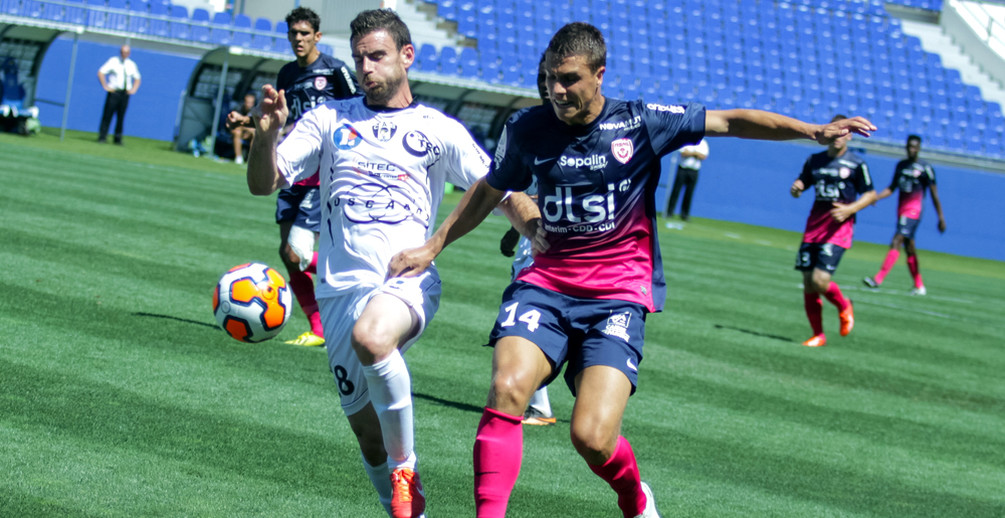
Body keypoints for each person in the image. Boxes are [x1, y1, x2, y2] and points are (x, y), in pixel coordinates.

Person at [388, 22, 877, 518]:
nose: (558, 91)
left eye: (570, 79)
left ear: (599, 74)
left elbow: (729, 121)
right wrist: (434, 245)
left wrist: (812, 132)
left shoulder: (642, 121)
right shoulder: (526, 128)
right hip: (545, 286)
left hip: (617, 297)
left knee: (591, 437)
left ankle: (635, 498)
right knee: (508, 388)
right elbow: (492, 188)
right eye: (550, 79)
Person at [245, 9, 535, 517]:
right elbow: (262, 182)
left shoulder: (437, 129)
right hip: (338, 292)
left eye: (376, 56)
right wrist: (266, 133)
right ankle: (407, 506)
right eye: (359, 58)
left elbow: (500, 187)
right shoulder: (329, 118)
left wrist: (538, 228)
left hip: (406, 281)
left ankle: (408, 469)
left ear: (406, 56)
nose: (366, 68)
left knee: (373, 338)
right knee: (367, 437)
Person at [228, 7, 359, 347]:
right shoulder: (287, 74)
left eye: (304, 33)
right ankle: (318, 328)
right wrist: (244, 121)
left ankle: (356, 273)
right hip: (290, 172)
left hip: (322, 173)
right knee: (288, 253)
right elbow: (279, 121)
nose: (298, 39)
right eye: (293, 34)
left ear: (317, 36)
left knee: (295, 253)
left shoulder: (335, 70)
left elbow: (360, 108)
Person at [499, 53, 555, 427]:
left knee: (526, 314)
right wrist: (513, 228)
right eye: (541, 77)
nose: (544, 84)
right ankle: (539, 403)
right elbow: (518, 189)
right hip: (530, 237)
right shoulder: (526, 125)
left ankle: (539, 405)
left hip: (555, 243)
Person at [790, 115, 877, 348]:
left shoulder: (856, 164)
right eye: (836, 131)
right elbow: (802, 183)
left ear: (850, 135)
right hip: (813, 227)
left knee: (820, 280)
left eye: (845, 132)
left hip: (838, 229)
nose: (840, 136)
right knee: (808, 282)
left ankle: (844, 304)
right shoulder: (814, 160)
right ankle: (818, 334)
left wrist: (850, 209)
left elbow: (871, 194)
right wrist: (797, 188)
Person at [863, 134, 946, 295]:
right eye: (909, 146)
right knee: (909, 247)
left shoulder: (925, 169)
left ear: (919, 148)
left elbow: (934, 195)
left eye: (915, 147)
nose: (912, 149)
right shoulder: (901, 166)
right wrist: (876, 197)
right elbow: (892, 187)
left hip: (914, 211)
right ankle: (919, 285)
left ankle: (878, 279)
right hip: (901, 210)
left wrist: (940, 217)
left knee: (897, 240)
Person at [97, 44, 141, 144]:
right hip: (114, 92)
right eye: (122, 52)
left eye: (126, 52)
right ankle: (102, 136)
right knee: (107, 115)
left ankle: (118, 138)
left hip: (124, 94)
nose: (124, 54)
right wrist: (105, 86)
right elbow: (101, 72)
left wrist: (133, 89)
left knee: (121, 116)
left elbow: (137, 78)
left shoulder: (131, 64)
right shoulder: (113, 61)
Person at [664, 138, 708, 221]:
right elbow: (684, 153)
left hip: (694, 171)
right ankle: (669, 212)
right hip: (683, 169)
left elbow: (703, 156)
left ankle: (685, 214)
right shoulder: (686, 140)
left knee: (689, 193)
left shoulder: (703, 143)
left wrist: (692, 153)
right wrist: (695, 153)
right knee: (676, 191)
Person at [230, 92, 257, 165]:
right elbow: (234, 125)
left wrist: (250, 130)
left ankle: (251, 159)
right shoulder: (238, 109)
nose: (249, 105)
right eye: (247, 102)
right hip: (240, 132)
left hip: (250, 134)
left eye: (251, 103)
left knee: (255, 134)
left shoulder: (256, 111)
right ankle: (238, 157)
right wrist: (246, 129)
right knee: (237, 132)